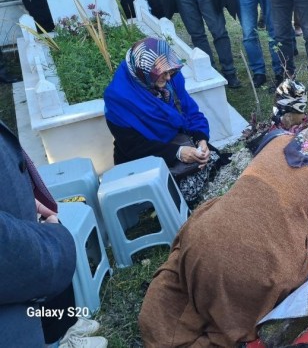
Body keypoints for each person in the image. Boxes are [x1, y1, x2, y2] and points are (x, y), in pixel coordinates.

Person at [139, 120, 308, 346]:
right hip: (256, 267)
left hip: (203, 236)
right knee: (226, 309)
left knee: (192, 283)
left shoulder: (279, 140)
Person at [0, 119, 108, 347]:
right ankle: (58, 339)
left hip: (19, 218)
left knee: (47, 246)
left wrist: (22, 198)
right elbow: (10, 254)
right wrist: (55, 242)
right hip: (13, 266)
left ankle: (65, 324)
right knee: (44, 259)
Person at [103, 37, 222, 204]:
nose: (168, 78)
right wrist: (178, 153)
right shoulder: (118, 98)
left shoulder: (172, 78)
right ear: (143, 72)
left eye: (169, 71)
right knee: (181, 196)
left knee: (214, 161)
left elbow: (190, 112)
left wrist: (201, 140)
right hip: (144, 158)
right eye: (162, 73)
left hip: (175, 142)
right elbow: (133, 147)